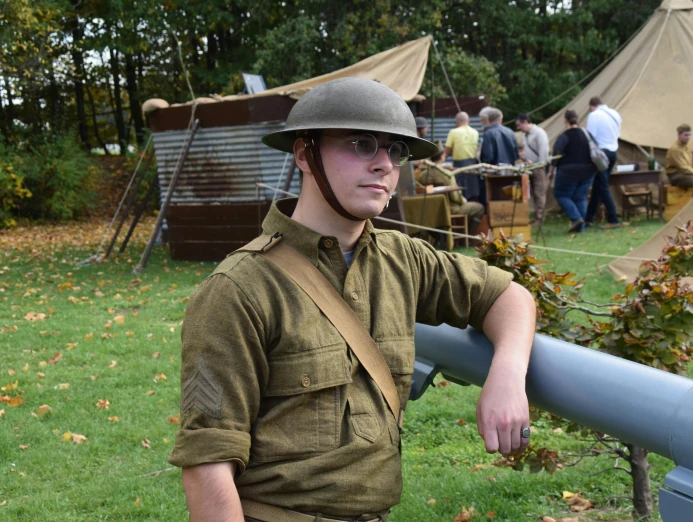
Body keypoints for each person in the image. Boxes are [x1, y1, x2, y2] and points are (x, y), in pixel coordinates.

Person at [170, 77, 537, 522]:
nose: (385, 164)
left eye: (395, 150)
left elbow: (508, 296)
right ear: (305, 155)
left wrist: (508, 373)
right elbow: (208, 464)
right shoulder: (239, 289)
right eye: (362, 144)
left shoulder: (402, 258)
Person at [417, 141, 485, 234]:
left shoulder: (422, 175)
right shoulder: (447, 175)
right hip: (451, 209)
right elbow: (455, 196)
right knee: (479, 207)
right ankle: (469, 237)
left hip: (431, 210)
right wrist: (463, 200)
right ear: (442, 156)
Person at [549, 110, 597, 233]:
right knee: (580, 197)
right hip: (588, 170)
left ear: (565, 120)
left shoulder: (565, 136)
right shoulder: (587, 134)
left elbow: (556, 153)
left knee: (562, 195)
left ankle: (576, 219)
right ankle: (580, 226)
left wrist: (550, 170)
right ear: (578, 119)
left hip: (568, 170)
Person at [584, 96, 622, 229]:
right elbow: (617, 134)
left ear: (592, 106)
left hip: (601, 153)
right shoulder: (615, 113)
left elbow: (591, 137)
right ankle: (588, 218)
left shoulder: (594, 115)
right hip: (613, 151)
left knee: (603, 186)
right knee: (599, 185)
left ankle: (613, 219)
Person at [516, 114, 550, 226]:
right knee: (533, 194)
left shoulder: (539, 133)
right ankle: (536, 217)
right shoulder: (525, 136)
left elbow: (544, 151)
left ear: (525, 122)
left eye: (519, 125)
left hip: (538, 167)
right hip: (529, 167)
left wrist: (540, 165)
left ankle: (540, 219)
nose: (518, 128)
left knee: (539, 193)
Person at [445, 111, 481, 202]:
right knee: (472, 188)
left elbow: (447, 150)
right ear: (468, 121)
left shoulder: (453, 132)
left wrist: (440, 161)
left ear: (457, 121)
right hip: (473, 164)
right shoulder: (475, 132)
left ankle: (463, 208)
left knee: (461, 189)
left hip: (459, 165)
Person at [665, 123, 693, 195]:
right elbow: (684, 168)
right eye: (686, 135)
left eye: (689, 135)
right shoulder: (675, 149)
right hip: (675, 175)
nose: (688, 137)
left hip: (685, 172)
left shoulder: (688, 144)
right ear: (679, 135)